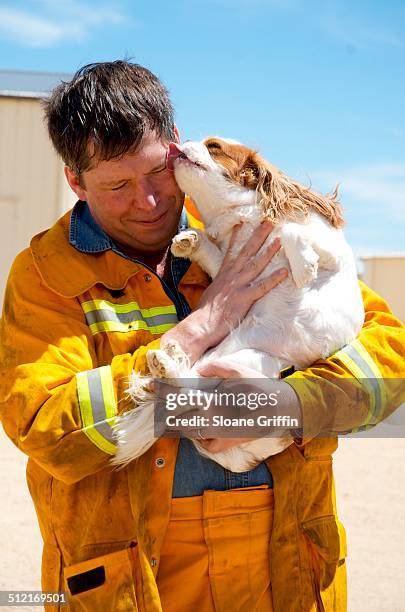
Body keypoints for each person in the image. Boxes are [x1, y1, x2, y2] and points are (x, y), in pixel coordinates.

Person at [0, 60, 403, 612]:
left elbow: (389, 360)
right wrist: (201, 327)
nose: (148, 202)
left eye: (156, 173)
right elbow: (44, 427)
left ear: (174, 145)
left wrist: (287, 405)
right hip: (137, 584)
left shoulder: (251, 225)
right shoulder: (47, 275)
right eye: (116, 185)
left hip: (283, 571)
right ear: (75, 179)